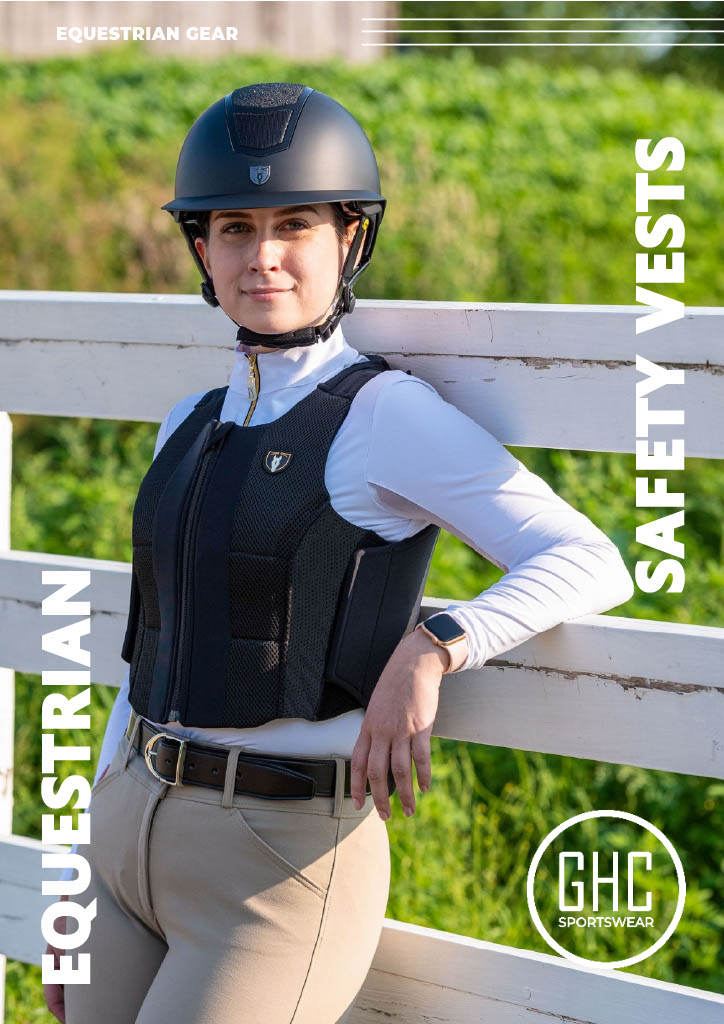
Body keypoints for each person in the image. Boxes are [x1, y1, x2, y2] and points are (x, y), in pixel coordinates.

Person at [45, 82, 634, 1024]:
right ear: (202, 246)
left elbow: (589, 556)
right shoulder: (189, 422)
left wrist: (437, 639)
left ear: (349, 240)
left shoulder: (382, 414)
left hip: (275, 864)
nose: (264, 257)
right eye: (235, 228)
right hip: (125, 833)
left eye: (296, 227)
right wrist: (81, 868)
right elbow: (149, 643)